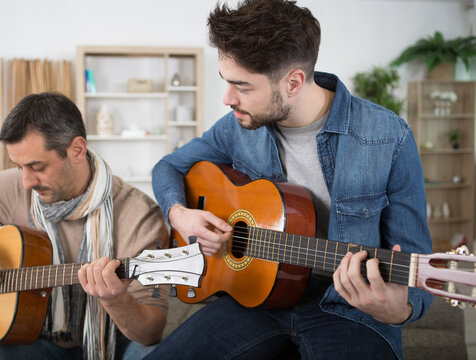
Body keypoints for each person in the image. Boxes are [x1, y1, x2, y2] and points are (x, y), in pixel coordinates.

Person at [147, 0, 433, 359]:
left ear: (294, 82)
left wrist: (399, 309)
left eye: (242, 86)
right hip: (257, 298)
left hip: (351, 310)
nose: (227, 98)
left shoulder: (388, 136)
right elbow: (167, 167)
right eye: (226, 82)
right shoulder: (236, 128)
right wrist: (179, 214)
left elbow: (417, 261)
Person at [0, 92, 169, 360]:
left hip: (116, 344)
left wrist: (116, 300)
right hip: (38, 341)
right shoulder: (13, 187)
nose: (26, 182)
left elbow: (151, 332)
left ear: (77, 150)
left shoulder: (139, 215)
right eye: (19, 166)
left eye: (37, 166)